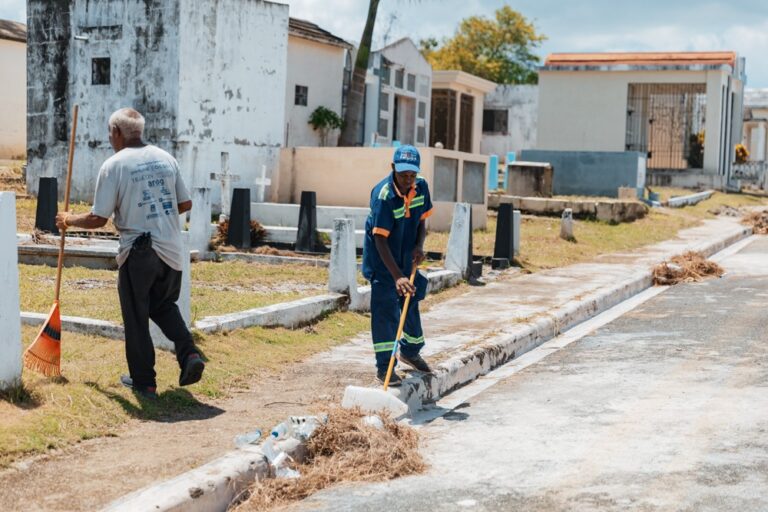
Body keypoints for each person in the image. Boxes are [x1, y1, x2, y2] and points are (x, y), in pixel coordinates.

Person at [56, 107, 204, 399]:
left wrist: (68, 219)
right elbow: (185, 203)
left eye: (110, 133)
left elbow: (98, 219)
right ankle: (189, 354)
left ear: (117, 132)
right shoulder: (166, 158)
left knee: (136, 316)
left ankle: (144, 381)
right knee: (163, 306)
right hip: (172, 249)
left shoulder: (114, 165)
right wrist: (157, 215)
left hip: (139, 252)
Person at [362, 145, 434, 386]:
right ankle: (385, 367)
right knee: (386, 312)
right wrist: (396, 277)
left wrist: (419, 246)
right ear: (393, 168)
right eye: (403, 175)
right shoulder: (384, 196)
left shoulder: (421, 187)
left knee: (411, 299)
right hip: (383, 263)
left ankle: (410, 351)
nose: (408, 180)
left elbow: (421, 220)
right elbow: (380, 239)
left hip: (405, 257)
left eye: (412, 174)